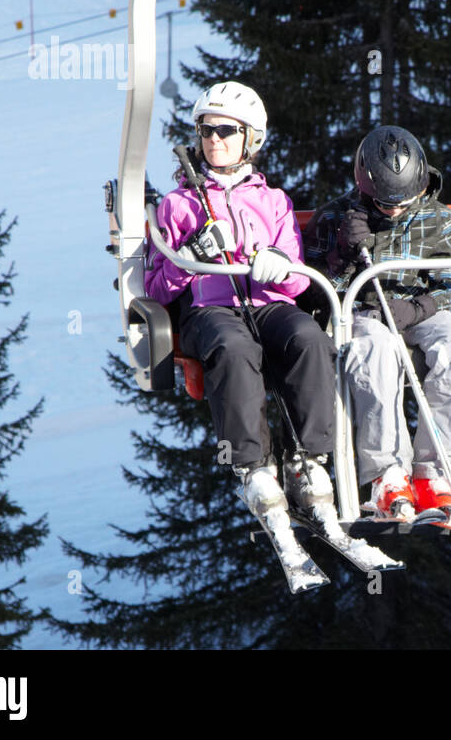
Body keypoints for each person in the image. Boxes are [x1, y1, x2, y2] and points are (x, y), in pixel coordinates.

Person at [145, 83, 341, 540]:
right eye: (206, 130)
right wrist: (190, 255)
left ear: (250, 139)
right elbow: (156, 289)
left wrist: (279, 267)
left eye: (227, 130)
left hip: (267, 305)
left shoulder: (273, 201)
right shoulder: (179, 205)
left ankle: (308, 460)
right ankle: (253, 467)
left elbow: (296, 282)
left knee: (309, 339)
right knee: (232, 348)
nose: (214, 139)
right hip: (209, 312)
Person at [304, 126, 451, 521]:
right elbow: (311, 293)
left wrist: (418, 309)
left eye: (404, 202)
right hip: (361, 312)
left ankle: (435, 474)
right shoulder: (334, 217)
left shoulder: (438, 219)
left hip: (418, 310)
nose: (395, 211)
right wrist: (344, 255)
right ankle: (387, 473)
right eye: (385, 204)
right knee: (377, 348)